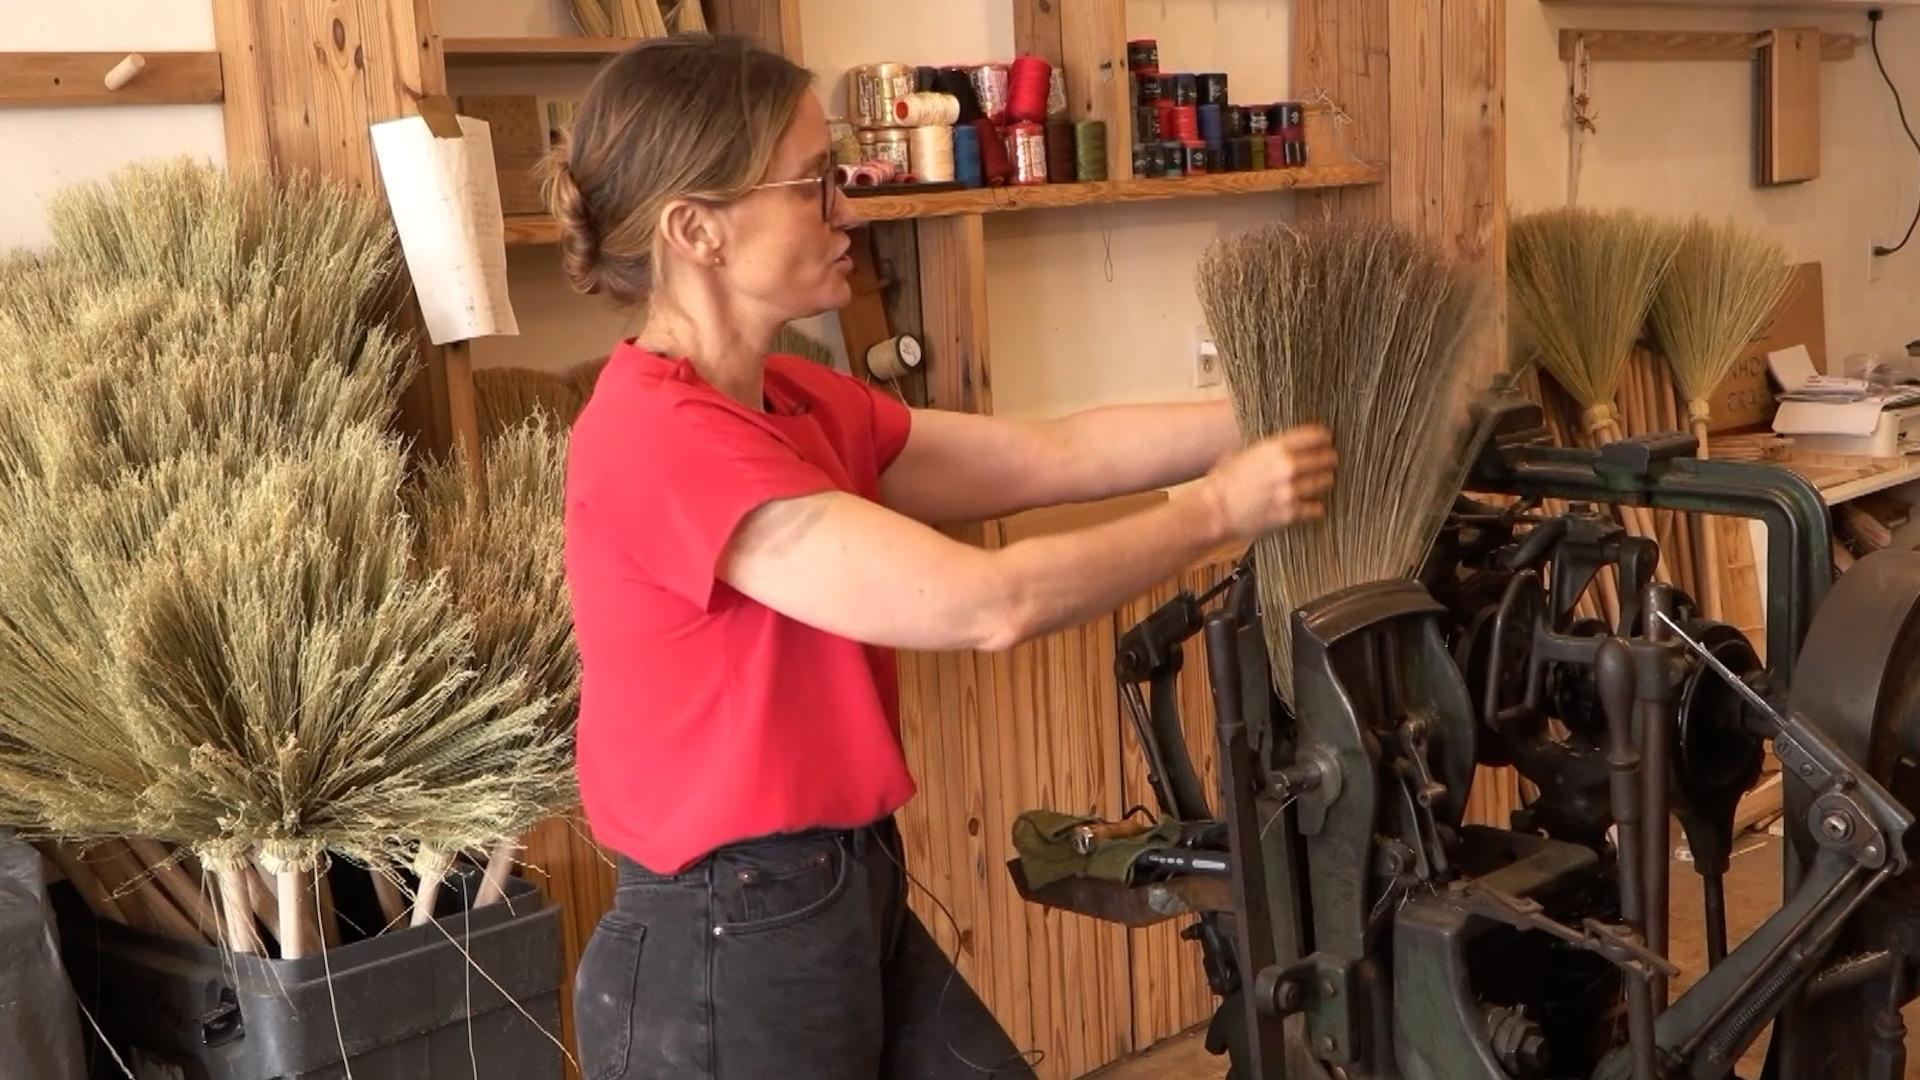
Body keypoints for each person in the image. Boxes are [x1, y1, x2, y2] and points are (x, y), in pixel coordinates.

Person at [543, 33, 1336, 1080]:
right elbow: (982, 604)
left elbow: (1049, 454)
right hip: (719, 943)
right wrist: (1213, 512)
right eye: (816, 184)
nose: (849, 212)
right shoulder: (660, 439)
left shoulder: (794, 398)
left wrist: (1282, 410)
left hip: (833, 890)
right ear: (697, 229)